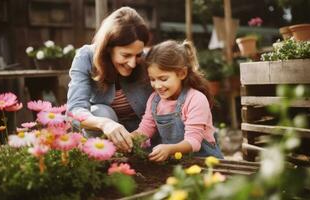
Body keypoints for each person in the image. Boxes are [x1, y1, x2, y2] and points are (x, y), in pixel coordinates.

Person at [67, 7, 152, 152]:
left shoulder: (148, 60)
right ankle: (102, 160)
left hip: (143, 135)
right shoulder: (86, 57)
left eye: (138, 55)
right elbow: (75, 110)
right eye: (125, 55)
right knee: (101, 112)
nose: (132, 63)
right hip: (103, 137)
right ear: (108, 48)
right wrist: (105, 124)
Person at [133, 40, 224, 162]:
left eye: (163, 79)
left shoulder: (195, 99)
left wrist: (169, 150)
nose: (157, 85)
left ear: (182, 73)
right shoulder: (154, 100)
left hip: (205, 162)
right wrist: (128, 139)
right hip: (177, 163)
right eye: (152, 79)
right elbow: (145, 130)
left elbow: (194, 142)